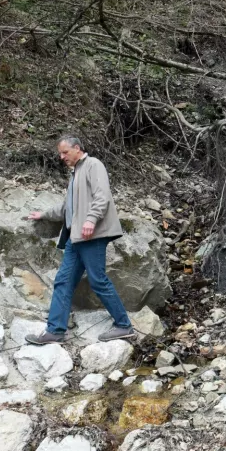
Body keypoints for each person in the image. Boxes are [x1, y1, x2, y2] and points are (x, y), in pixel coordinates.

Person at [24, 136, 134, 344]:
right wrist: (44, 214)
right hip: (76, 239)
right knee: (63, 281)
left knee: (97, 280)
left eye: (65, 152)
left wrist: (91, 219)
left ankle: (123, 325)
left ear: (77, 148)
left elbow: (103, 196)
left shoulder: (93, 165)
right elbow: (67, 208)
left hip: (91, 236)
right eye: (60, 153)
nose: (61, 157)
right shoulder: (76, 174)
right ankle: (56, 330)